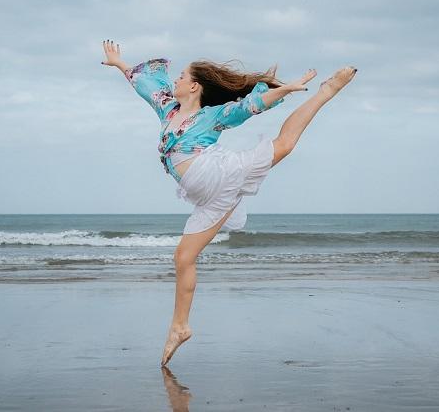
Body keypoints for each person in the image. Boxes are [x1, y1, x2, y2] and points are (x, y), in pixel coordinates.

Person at [100, 39, 357, 366]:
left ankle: (325, 92)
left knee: (284, 145)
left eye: (181, 75)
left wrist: (285, 90)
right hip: (206, 198)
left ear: (193, 86)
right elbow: (144, 85)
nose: (174, 79)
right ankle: (179, 326)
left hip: (220, 174)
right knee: (183, 258)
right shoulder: (167, 107)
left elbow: (251, 106)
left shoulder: (213, 116)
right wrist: (120, 63)